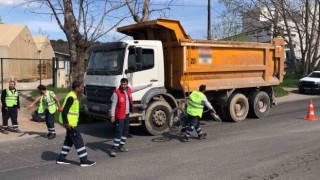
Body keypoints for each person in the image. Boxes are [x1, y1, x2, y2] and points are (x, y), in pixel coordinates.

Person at [56, 81, 96, 167]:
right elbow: (64, 112)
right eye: (81, 87)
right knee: (79, 141)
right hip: (71, 124)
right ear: (77, 88)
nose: (82, 88)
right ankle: (84, 161)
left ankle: (61, 158)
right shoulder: (71, 97)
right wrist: (67, 123)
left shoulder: (74, 96)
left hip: (72, 123)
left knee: (69, 141)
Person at [109, 78, 152, 157]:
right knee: (119, 131)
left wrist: (147, 85)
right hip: (120, 115)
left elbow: (138, 88)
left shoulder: (129, 89)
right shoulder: (116, 93)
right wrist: (112, 115)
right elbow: (113, 105)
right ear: (120, 84)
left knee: (126, 131)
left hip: (127, 114)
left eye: (125, 84)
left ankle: (121, 146)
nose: (123, 86)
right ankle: (114, 148)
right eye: (122, 84)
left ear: (127, 84)